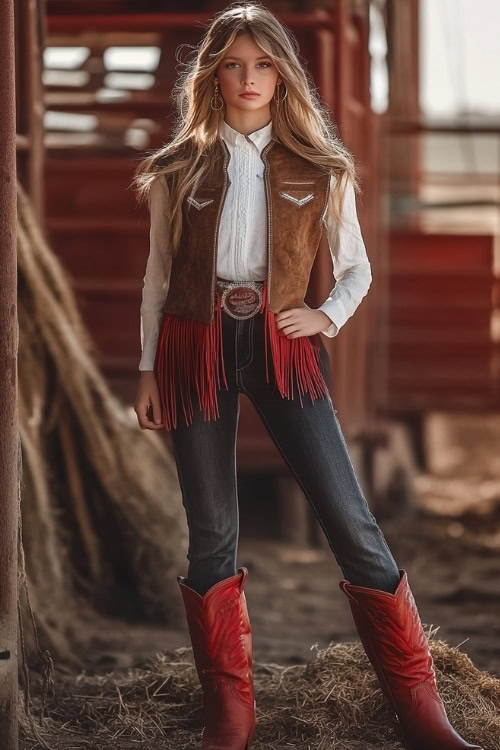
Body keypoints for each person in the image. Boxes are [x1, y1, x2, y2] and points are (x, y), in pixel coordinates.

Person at [132, 5, 481, 750]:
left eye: (262, 65)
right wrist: (145, 370)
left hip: (283, 346)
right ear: (213, 74)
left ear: (283, 74)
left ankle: (421, 710)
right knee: (211, 534)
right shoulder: (176, 168)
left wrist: (325, 319)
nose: (248, 79)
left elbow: (356, 269)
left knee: (350, 520)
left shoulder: (322, 168)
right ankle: (231, 714)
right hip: (193, 349)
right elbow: (157, 279)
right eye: (233, 64)